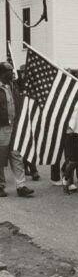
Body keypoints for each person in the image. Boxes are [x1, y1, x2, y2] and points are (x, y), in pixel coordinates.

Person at [0, 61, 34, 198]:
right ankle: (1, 185)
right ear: (2, 73)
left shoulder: (13, 86)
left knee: (16, 156)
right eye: (9, 70)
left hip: (14, 126)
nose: (12, 72)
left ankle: (21, 186)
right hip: (1, 128)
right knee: (0, 158)